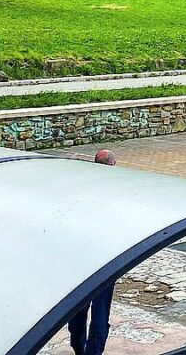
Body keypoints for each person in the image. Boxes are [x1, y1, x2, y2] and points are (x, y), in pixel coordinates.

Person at [68, 150, 119, 355]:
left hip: (82, 258)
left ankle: (78, 347)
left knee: (78, 309)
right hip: (106, 261)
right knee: (100, 311)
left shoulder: (84, 188)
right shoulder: (119, 192)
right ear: (113, 165)